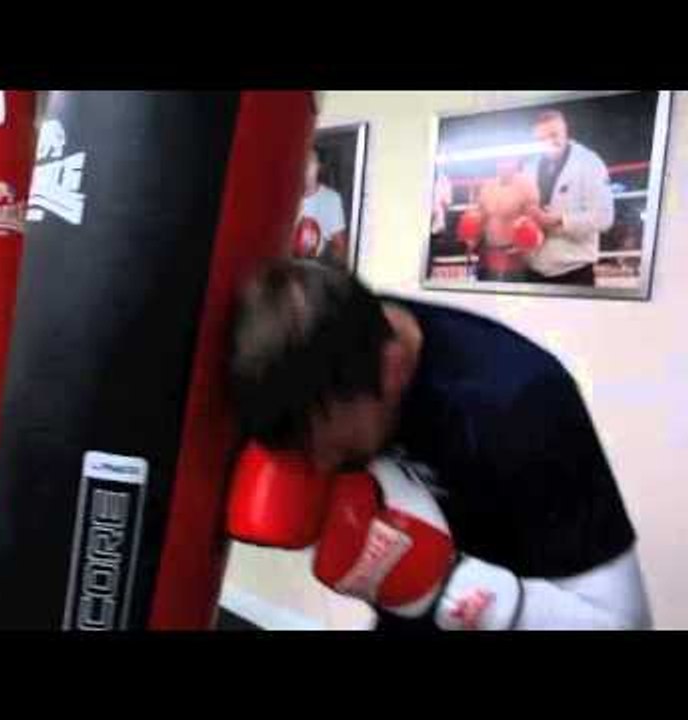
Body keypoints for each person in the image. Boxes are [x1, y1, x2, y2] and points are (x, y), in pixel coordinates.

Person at [228, 258, 652, 631]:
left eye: (341, 450)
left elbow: (624, 623)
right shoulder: (342, 339)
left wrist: (452, 588)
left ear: (392, 370)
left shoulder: (521, 407)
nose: (324, 468)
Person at [524, 110, 615, 286]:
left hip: (574, 272)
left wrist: (560, 221)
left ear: (566, 131)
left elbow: (604, 218)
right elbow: (524, 208)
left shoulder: (589, 162)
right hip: (534, 270)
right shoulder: (530, 166)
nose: (549, 142)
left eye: (554, 135)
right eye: (541, 139)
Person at [473, 155, 540, 282]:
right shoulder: (488, 186)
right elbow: (480, 215)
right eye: (500, 161)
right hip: (488, 252)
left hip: (515, 255)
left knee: (512, 298)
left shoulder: (527, 186)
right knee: (485, 297)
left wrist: (524, 245)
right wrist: (472, 237)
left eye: (508, 161)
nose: (503, 165)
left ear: (516, 163)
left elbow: (534, 220)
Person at [292, 148, 348, 266]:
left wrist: (326, 256)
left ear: (319, 166)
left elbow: (340, 248)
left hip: (315, 270)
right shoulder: (284, 197)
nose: (305, 166)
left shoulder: (331, 199)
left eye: (310, 161)